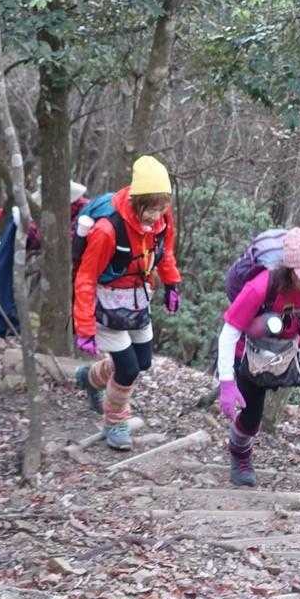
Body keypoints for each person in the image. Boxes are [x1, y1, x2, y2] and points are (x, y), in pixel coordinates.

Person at [215, 225, 300, 500]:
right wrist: (227, 383)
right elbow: (229, 331)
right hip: (254, 346)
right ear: (289, 269)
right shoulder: (262, 285)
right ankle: (240, 455)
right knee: (251, 414)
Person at [71, 156, 183, 450]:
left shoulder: (162, 220)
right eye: (151, 208)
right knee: (128, 369)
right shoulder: (108, 230)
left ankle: (90, 378)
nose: (156, 215)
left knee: (142, 361)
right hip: (107, 304)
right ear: (136, 202)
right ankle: (115, 421)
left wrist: (172, 283)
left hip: (138, 299)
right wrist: (85, 328)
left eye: (161, 207)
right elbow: (85, 277)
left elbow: (165, 252)